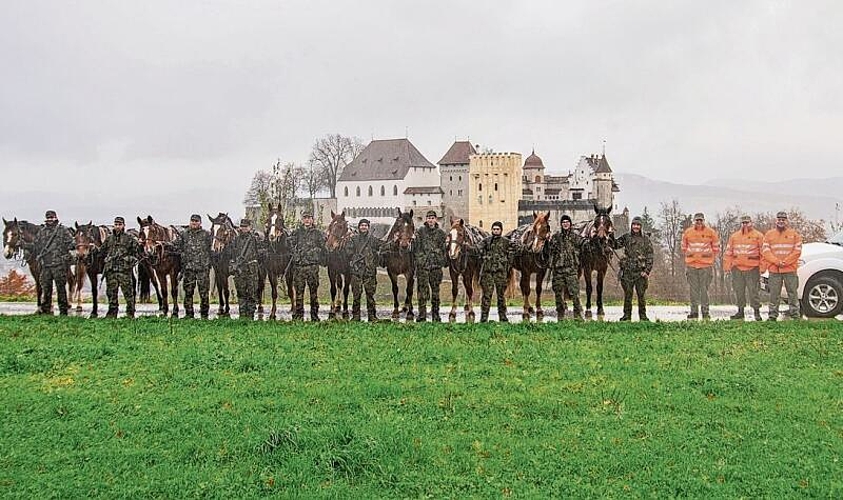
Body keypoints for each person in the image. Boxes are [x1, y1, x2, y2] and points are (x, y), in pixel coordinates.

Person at [28, 210, 75, 315]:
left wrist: (71, 248)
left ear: (55, 218)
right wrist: (24, 244)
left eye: (51, 217)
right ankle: (46, 310)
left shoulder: (62, 230)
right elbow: (35, 246)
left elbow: (72, 244)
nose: (50, 220)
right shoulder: (42, 232)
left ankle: (63, 311)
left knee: (61, 289)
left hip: (59, 265)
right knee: (46, 289)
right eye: (48, 218)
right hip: (46, 266)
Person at [762, 211, 803, 321]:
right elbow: (765, 251)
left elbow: (797, 251)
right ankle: (772, 316)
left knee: (792, 293)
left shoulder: (794, 234)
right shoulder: (769, 234)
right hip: (774, 270)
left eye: (783, 219)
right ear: (776, 221)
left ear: (787, 221)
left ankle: (795, 315)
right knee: (774, 295)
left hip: (790, 269)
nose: (781, 221)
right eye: (779, 219)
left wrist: (786, 262)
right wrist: (776, 261)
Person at [723, 215, 764, 321]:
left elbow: (763, 253)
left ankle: (757, 312)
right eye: (743, 223)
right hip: (737, 269)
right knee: (739, 291)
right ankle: (740, 311)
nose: (745, 224)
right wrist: (727, 266)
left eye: (747, 222)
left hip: (752, 268)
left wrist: (763, 267)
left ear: (751, 223)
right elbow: (728, 252)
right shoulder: (734, 237)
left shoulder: (758, 236)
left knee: (753, 292)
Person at [613, 216, 654, 321]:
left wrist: (647, 271)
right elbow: (615, 244)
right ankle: (627, 316)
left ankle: (643, 316)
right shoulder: (626, 237)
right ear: (631, 226)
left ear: (641, 226)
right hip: (628, 271)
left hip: (641, 271)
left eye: (638, 225)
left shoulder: (646, 239)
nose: (636, 227)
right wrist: (609, 235)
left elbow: (650, 256)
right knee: (628, 294)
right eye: (634, 224)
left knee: (641, 295)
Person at [172, 214, 213, 319]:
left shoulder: (206, 235)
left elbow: (212, 248)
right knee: (188, 292)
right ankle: (189, 314)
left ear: (200, 223)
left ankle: (204, 315)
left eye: (196, 221)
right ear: (190, 222)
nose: (194, 223)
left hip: (202, 268)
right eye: (192, 221)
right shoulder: (184, 234)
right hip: (189, 268)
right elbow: (175, 246)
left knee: (203, 293)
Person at [681, 212, 720, 319]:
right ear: (694, 221)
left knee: (704, 290)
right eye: (697, 220)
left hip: (705, 266)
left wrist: (709, 259)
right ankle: (694, 312)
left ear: (703, 221)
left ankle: (705, 312)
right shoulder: (688, 232)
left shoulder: (711, 232)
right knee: (693, 290)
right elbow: (684, 247)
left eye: (700, 220)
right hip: (692, 265)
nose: (699, 222)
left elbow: (716, 248)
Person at [101, 216, 141, 318]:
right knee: (111, 293)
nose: (117, 226)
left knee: (128, 294)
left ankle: (130, 313)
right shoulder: (109, 239)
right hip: (111, 271)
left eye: (120, 224)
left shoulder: (129, 238)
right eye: (116, 224)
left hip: (124, 270)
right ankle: (112, 313)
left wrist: (130, 260)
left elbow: (138, 252)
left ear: (123, 226)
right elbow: (101, 252)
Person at [289, 211, 327, 321]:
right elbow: (289, 245)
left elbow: (324, 248)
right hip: (299, 267)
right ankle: (298, 316)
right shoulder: (296, 233)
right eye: (305, 218)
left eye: (309, 218)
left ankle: (314, 316)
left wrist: (316, 253)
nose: (307, 220)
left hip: (312, 267)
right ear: (302, 220)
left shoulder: (317, 233)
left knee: (313, 293)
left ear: (312, 220)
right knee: (299, 293)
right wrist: (296, 254)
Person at [477, 221, 514, 322]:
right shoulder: (486, 241)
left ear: (501, 230)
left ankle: (503, 317)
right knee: (486, 296)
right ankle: (484, 318)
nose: (496, 231)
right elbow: (477, 249)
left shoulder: (506, 242)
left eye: (498, 229)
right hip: (487, 273)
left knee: (501, 296)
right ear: (491, 230)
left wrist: (507, 266)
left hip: (500, 273)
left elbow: (514, 252)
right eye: (494, 229)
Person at [414, 210, 447, 322]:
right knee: (422, 292)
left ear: (436, 219)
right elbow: (416, 249)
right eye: (428, 218)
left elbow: (444, 250)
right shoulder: (420, 232)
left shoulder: (441, 234)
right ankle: (422, 315)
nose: (430, 220)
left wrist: (441, 260)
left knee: (436, 293)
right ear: (426, 219)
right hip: (423, 267)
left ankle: (436, 315)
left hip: (436, 267)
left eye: (432, 218)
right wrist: (420, 260)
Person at [348, 218, 383, 322]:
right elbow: (348, 252)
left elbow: (384, 246)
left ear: (368, 227)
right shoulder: (354, 239)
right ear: (359, 227)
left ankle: (372, 316)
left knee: (370, 295)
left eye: (365, 225)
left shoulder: (373, 240)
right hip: (357, 271)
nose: (363, 227)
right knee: (356, 295)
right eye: (362, 225)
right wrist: (354, 257)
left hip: (369, 271)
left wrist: (394, 240)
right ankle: (355, 316)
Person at [549, 214, 584, 321]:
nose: (565, 224)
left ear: (570, 224)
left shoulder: (575, 237)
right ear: (561, 224)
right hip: (558, 271)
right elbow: (549, 250)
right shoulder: (556, 237)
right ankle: (561, 316)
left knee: (575, 294)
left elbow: (584, 246)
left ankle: (578, 316)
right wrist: (547, 240)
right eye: (563, 222)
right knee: (558, 295)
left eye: (567, 222)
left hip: (571, 271)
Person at [229, 218, 261, 320]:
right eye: (242, 227)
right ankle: (242, 315)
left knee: (251, 293)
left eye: (246, 227)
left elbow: (262, 252)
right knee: (241, 293)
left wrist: (255, 259)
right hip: (240, 270)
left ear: (250, 227)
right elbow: (231, 254)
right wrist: (233, 265)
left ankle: (250, 316)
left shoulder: (255, 239)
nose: (244, 228)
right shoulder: (236, 240)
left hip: (251, 270)